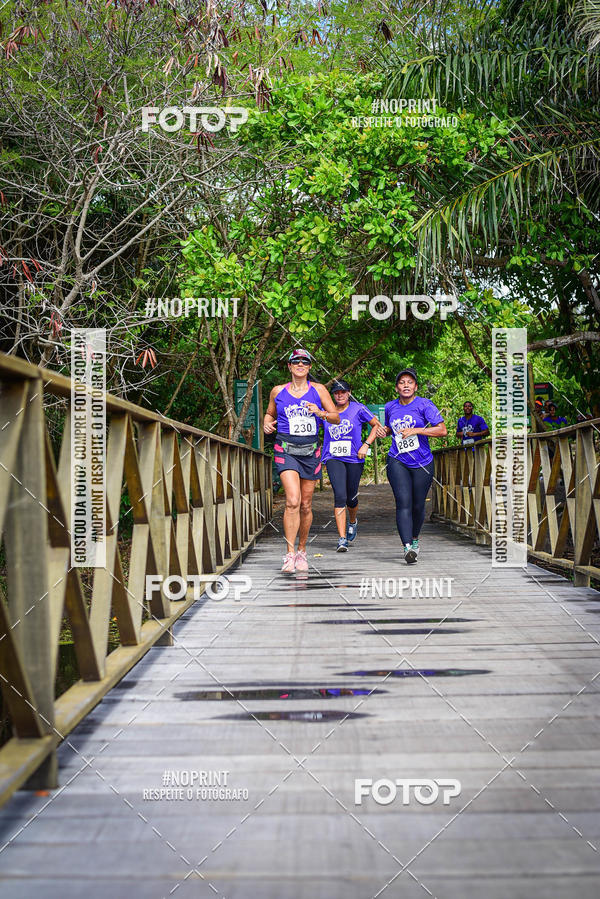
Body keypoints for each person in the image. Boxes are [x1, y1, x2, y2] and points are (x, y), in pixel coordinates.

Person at [263, 349, 339, 573]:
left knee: (305, 504)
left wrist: (321, 412)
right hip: (285, 449)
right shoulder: (278, 391)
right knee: (292, 501)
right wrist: (267, 423)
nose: (300, 364)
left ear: (309, 367)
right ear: (289, 366)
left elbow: (336, 417)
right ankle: (288, 554)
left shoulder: (319, 390)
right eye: (295, 361)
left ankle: (302, 551)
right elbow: (270, 413)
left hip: (310, 451)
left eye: (304, 362)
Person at [382, 368, 447, 564]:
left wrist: (417, 430)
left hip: (422, 462)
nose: (406, 385)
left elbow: (442, 430)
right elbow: (389, 430)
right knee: (403, 502)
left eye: (410, 382)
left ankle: (415, 538)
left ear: (416, 387)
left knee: (418, 506)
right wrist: (382, 432)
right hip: (397, 459)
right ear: (397, 388)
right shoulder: (390, 407)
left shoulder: (425, 405)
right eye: (402, 382)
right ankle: (407, 547)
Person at [322, 379, 384, 552]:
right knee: (340, 496)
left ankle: (352, 521)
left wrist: (366, 444)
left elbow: (376, 425)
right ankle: (342, 539)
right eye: (336, 392)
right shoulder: (327, 412)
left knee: (351, 497)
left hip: (355, 458)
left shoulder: (358, 408)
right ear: (333, 395)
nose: (340, 395)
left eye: (343, 392)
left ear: (349, 393)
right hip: (333, 457)